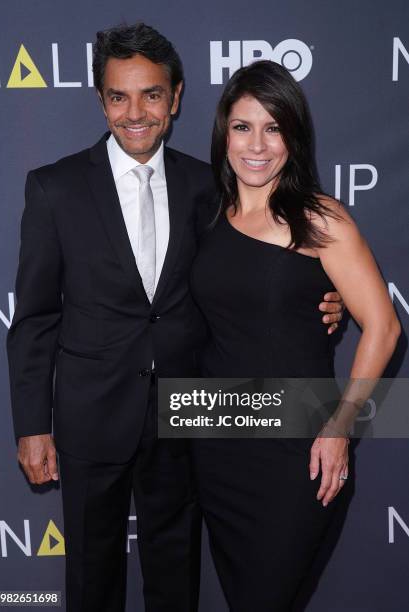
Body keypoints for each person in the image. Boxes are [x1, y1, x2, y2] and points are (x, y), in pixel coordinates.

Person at [6, 24, 343, 612]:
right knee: (91, 575)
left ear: (177, 98)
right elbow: (34, 317)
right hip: (93, 412)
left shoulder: (211, 187)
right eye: (119, 96)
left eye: (152, 95)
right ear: (101, 100)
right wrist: (33, 424)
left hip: (190, 413)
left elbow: (255, 271)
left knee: (175, 572)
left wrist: (326, 296)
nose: (135, 112)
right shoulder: (55, 188)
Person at [189, 60, 400, 611]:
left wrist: (339, 429)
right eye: (242, 127)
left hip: (297, 452)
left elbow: (384, 325)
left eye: (273, 127)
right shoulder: (206, 214)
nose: (257, 144)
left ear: (293, 136)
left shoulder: (319, 218)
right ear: (223, 134)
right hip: (216, 444)